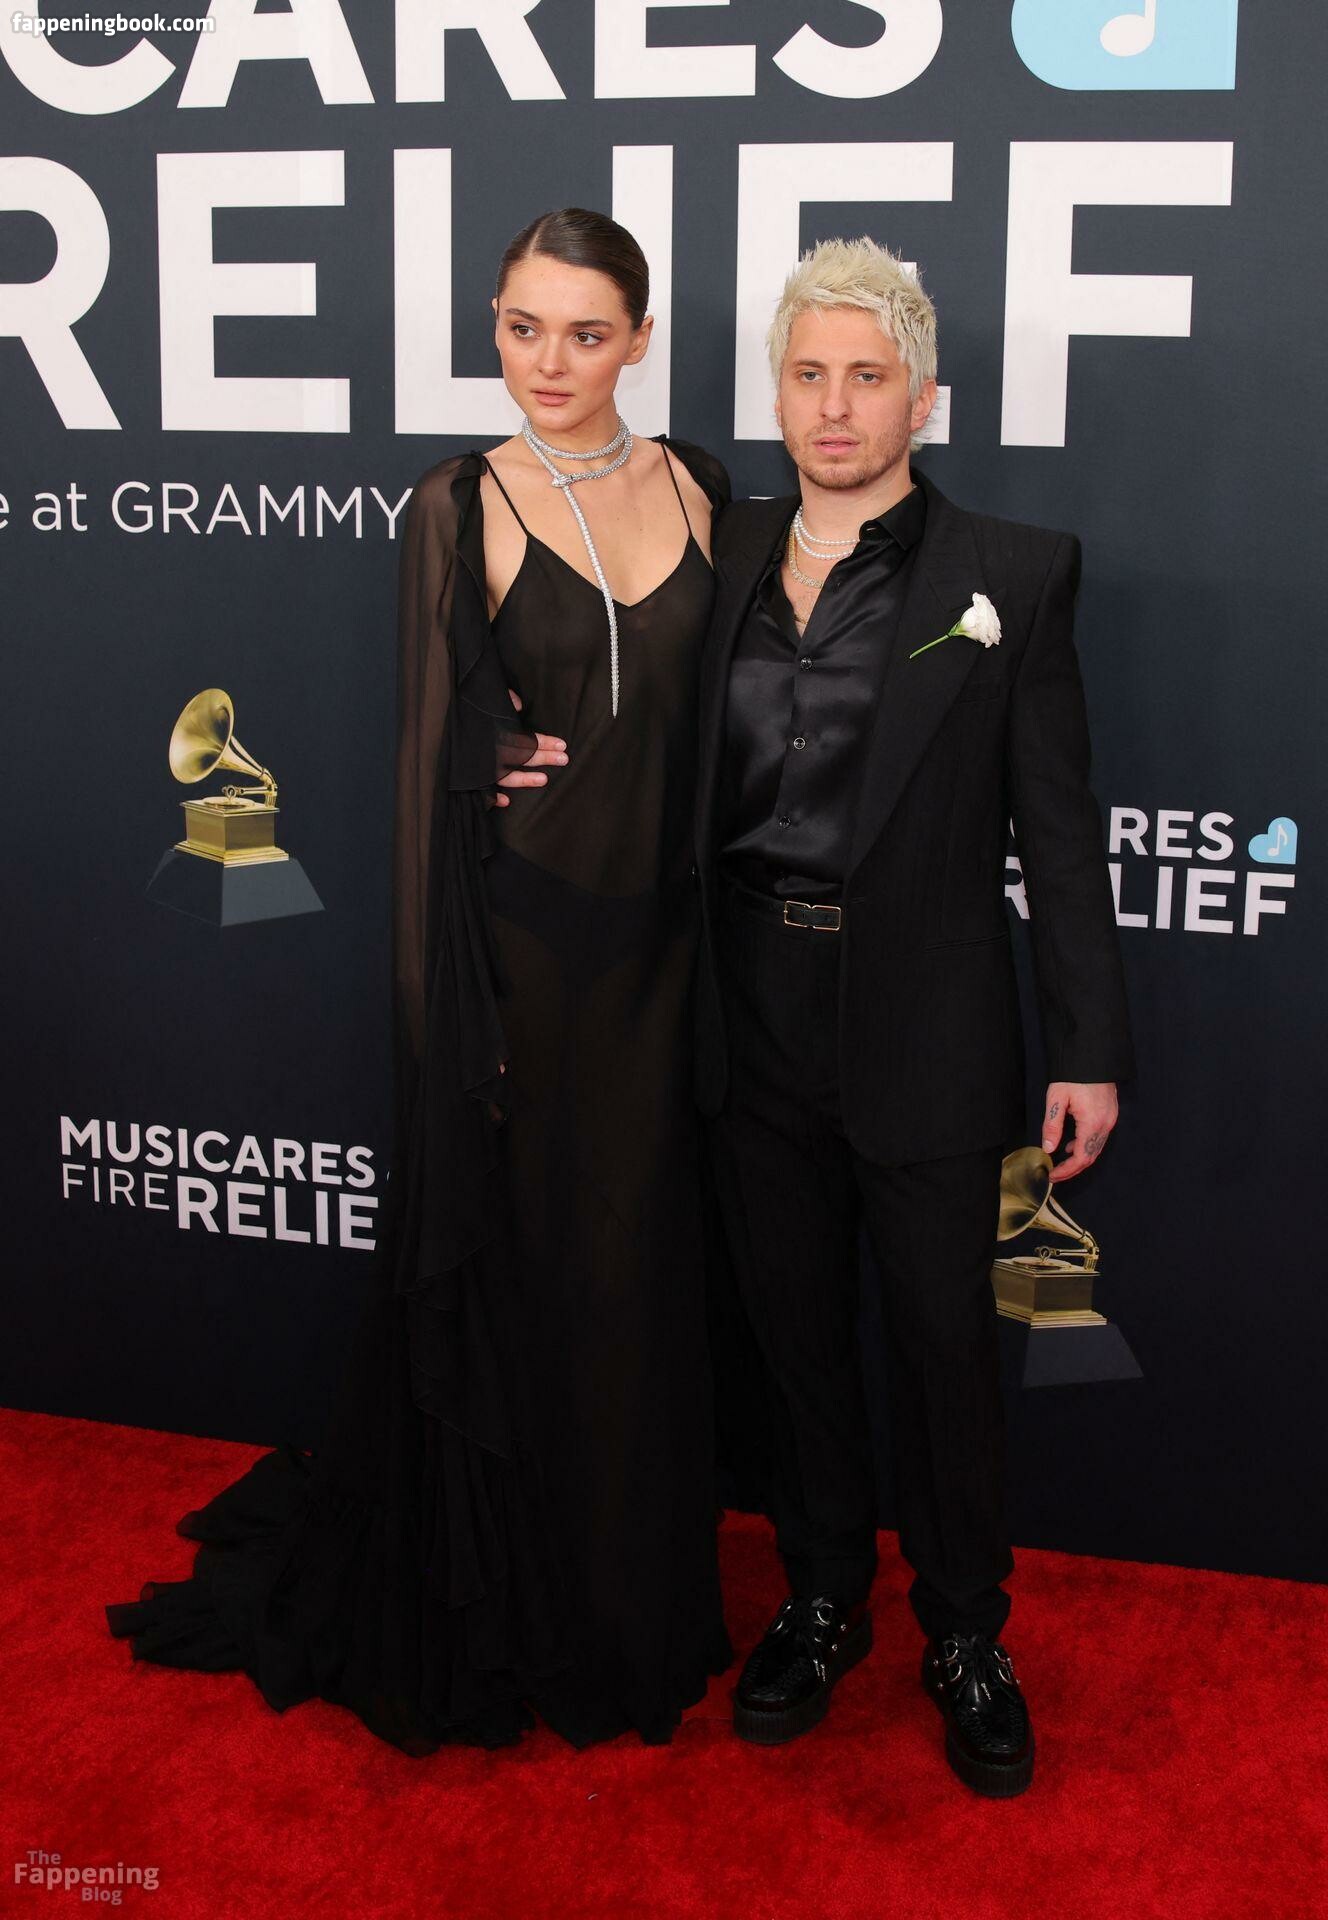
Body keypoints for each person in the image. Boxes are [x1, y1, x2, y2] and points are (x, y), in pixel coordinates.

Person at [106, 208, 733, 1755]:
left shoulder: (706, 487)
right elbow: (421, 772)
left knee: (640, 1289)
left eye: (586, 333)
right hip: (523, 961)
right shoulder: (457, 500)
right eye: (521, 327)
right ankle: (521, 1611)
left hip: (671, 964)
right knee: (533, 1281)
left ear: (640, 340)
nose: (548, 364)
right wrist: (438, 1016)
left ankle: (631, 1600)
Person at [693, 238, 1134, 1796]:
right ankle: (822, 1597)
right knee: (794, 1335)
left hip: (932, 1025)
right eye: (808, 374)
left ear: (922, 397)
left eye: (866, 376)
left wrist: (1088, 1045)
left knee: (946, 1346)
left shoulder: (1014, 573)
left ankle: (963, 1630)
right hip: (747, 1010)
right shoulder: (716, 553)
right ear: (777, 390)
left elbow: (1058, 829)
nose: (834, 405)